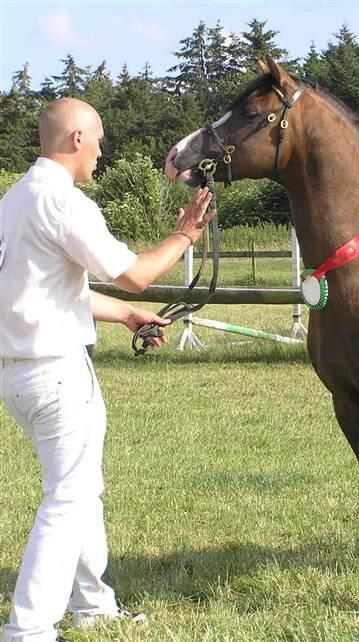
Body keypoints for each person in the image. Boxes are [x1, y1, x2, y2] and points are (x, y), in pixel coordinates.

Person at [0, 97, 215, 642]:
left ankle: (93, 604)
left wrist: (124, 316)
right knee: (67, 498)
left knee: (78, 489)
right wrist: (185, 236)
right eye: (98, 140)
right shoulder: (65, 203)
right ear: (75, 140)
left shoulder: (14, 201)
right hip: (56, 374)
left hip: (20, 375)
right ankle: (28, 629)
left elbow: (49, 292)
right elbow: (134, 273)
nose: (101, 151)